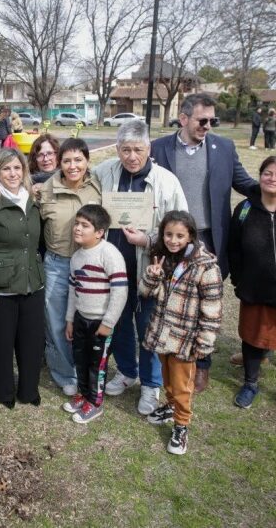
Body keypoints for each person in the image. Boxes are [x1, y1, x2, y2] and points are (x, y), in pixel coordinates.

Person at [151, 93, 257, 392]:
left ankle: (202, 365)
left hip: (208, 239)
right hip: (170, 238)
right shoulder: (159, 148)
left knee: (205, 306)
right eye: (202, 120)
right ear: (183, 119)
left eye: (213, 120)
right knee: (170, 301)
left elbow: (243, 182)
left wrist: (266, 189)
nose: (208, 126)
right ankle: (169, 357)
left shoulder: (223, 147)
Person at [94, 120, 188, 415]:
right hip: (114, 269)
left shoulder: (167, 181)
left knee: (149, 329)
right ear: (117, 149)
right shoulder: (105, 172)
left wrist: (148, 240)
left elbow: (182, 229)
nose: (131, 156)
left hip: (150, 271)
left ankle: (150, 384)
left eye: (137, 149)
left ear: (148, 148)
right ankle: (126, 371)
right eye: (125, 150)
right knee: (119, 323)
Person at [140, 211, 222, 455]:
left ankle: (181, 425)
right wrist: (151, 277)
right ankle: (170, 406)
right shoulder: (163, 258)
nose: (173, 240)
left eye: (179, 236)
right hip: (162, 332)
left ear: (191, 236)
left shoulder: (205, 266)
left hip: (186, 339)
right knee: (167, 376)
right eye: (168, 235)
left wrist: (205, 342)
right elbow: (146, 293)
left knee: (182, 384)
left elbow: (212, 310)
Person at [0, 148, 45, 408]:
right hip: (2, 286)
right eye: (6, 169)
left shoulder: (32, 200)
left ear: (24, 171)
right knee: (2, 343)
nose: (13, 173)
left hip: (32, 281)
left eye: (17, 168)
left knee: (31, 342)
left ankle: (29, 390)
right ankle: (2, 392)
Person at [39, 139, 102, 396]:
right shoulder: (46, 189)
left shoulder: (98, 185)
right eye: (67, 160)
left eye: (78, 160)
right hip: (57, 263)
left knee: (87, 320)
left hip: (90, 263)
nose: (73, 166)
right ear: (59, 162)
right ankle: (65, 372)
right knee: (55, 322)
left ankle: (88, 368)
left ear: (87, 161)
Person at [62, 205, 128, 424]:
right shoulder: (76, 257)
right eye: (77, 224)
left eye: (85, 225)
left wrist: (108, 323)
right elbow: (73, 290)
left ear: (99, 232)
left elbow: (120, 291)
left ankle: (95, 402)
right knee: (80, 359)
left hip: (101, 322)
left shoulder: (109, 254)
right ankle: (83, 393)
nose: (78, 229)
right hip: (81, 319)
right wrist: (70, 319)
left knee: (96, 364)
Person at [229, 156, 276, 409]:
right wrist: (238, 279)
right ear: (260, 176)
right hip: (254, 288)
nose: (272, 179)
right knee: (252, 335)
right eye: (268, 173)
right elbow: (233, 249)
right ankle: (250, 383)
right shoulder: (245, 208)